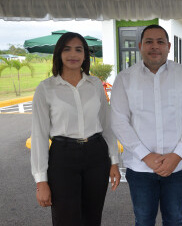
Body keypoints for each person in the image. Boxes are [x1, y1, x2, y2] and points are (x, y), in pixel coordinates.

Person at [110, 25, 182, 226]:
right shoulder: (124, 79)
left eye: (160, 42)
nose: (155, 47)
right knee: (144, 220)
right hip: (140, 167)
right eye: (149, 42)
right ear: (140, 46)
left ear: (169, 46)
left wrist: (177, 155)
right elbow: (119, 121)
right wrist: (146, 156)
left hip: (177, 166)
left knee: (174, 219)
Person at [31, 32, 121, 226]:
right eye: (67, 49)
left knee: (92, 216)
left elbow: (107, 125)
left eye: (79, 49)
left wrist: (114, 161)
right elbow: (38, 135)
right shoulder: (46, 88)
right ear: (59, 54)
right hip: (63, 157)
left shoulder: (95, 84)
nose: (73, 54)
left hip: (96, 154)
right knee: (65, 218)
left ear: (85, 55)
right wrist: (41, 181)